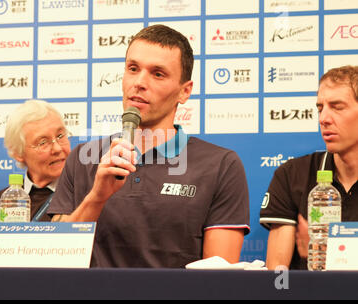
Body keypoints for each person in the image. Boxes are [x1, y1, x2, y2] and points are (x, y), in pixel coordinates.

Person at [47, 25, 250, 268]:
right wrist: (97, 198)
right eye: (133, 69)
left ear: (184, 92)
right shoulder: (82, 158)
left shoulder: (221, 165)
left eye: (158, 74)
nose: (139, 82)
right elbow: (55, 259)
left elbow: (218, 282)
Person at [260, 65, 358, 270]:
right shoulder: (292, 174)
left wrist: (325, 255)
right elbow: (277, 274)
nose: (323, 119)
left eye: (337, 107)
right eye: (320, 108)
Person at [0, 99, 71, 222]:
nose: (57, 148)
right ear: (18, 153)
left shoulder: (89, 193)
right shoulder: (2, 203)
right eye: (43, 142)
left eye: (60, 136)